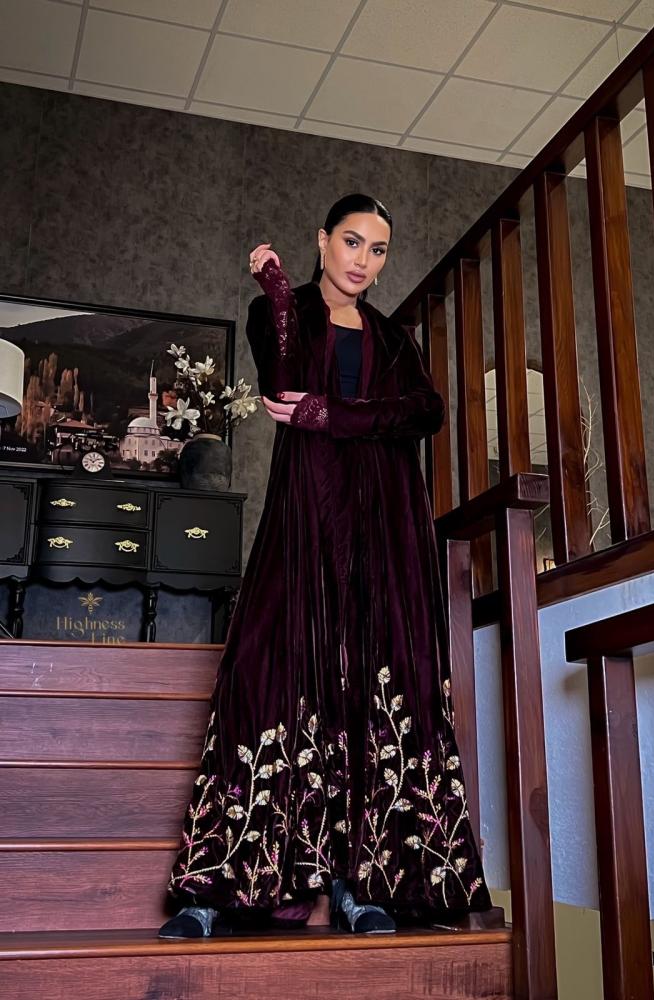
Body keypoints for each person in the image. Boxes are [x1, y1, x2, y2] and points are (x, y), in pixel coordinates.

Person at [159, 193, 491, 939]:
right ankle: (221, 884)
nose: (363, 260)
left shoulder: (392, 337)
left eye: (377, 249)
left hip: (385, 527)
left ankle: (360, 884)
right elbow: (283, 383)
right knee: (264, 670)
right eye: (351, 241)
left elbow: (426, 411)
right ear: (322, 240)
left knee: (374, 686)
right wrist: (279, 291)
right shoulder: (281, 309)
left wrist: (334, 415)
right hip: (307, 514)